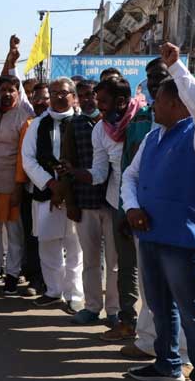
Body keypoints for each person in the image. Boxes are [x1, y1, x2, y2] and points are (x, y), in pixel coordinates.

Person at [121, 42, 195, 381]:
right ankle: (167, 365)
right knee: (160, 308)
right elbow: (130, 176)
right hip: (151, 236)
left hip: (183, 241)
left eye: (160, 101)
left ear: (179, 104)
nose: (153, 105)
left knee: (192, 313)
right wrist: (132, 206)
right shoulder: (153, 137)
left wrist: (178, 69)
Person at [59, 79, 119, 325]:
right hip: (85, 202)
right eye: (80, 95)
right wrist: (70, 202)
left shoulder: (116, 123)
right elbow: (67, 165)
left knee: (115, 263)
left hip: (113, 203)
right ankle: (92, 307)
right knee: (90, 260)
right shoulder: (73, 125)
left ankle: (114, 311)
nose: (85, 99)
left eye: (89, 95)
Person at [21, 77, 83, 312]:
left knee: (75, 247)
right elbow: (28, 159)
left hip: (76, 195)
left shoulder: (82, 122)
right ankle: (53, 291)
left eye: (63, 92)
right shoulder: (38, 124)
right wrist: (50, 184)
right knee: (48, 244)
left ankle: (75, 295)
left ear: (73, 96)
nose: (58, 96)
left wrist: (66, 187)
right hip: (46, 193)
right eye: (54, 92)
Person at [0, 74, 33, 295]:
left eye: (12, 90)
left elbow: (24, 156)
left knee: (14, 233)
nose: (7, 94)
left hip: (13, 183)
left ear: (18, 92)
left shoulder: (24, 115)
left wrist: (19, 187)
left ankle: (12, 273)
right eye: (3, 90)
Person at [14, 83, 50, 297]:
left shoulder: (67, 123)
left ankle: (59, 284)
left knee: (60, 242)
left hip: (61, 192)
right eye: (35, 98)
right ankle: (37, 278)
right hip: (32, 190)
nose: (40, 102)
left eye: (44, 98)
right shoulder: (31, 124)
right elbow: (24, 160)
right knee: (33, 236)